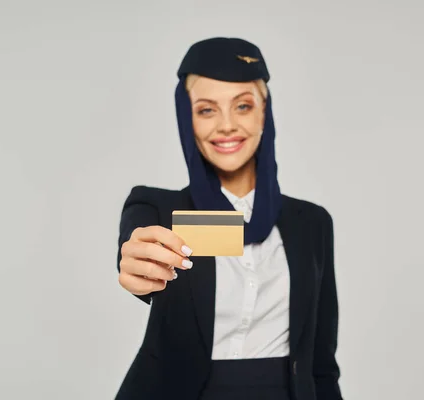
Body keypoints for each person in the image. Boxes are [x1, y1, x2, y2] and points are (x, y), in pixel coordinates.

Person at [115, 37, 342, 400]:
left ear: (264, 112)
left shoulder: (311, 223)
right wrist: (138, 264)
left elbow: (321, 363)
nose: (226, 125)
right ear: (185, 117)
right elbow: (137, 248)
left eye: (243, 106)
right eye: (206, 110)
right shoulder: (157, 209)